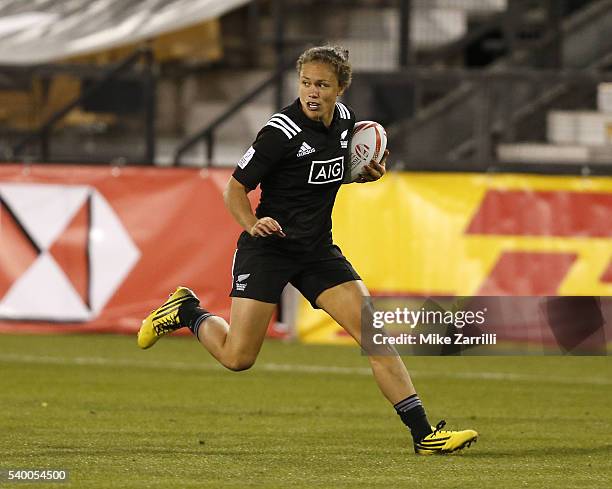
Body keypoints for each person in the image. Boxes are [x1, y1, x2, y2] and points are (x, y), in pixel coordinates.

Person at [137, 45, 477, 455]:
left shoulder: (347, 123)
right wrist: (252, 223)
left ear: (341, 88)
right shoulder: (279, 132)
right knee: (237, 357)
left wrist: (363, 177)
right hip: (269, 247)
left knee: (376, 338)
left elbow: (324, 175)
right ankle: (187, 310)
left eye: (322, 84)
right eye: (305, 83)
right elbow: (235, 189)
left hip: (317, 250)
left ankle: (425, 435)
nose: (312, 92)